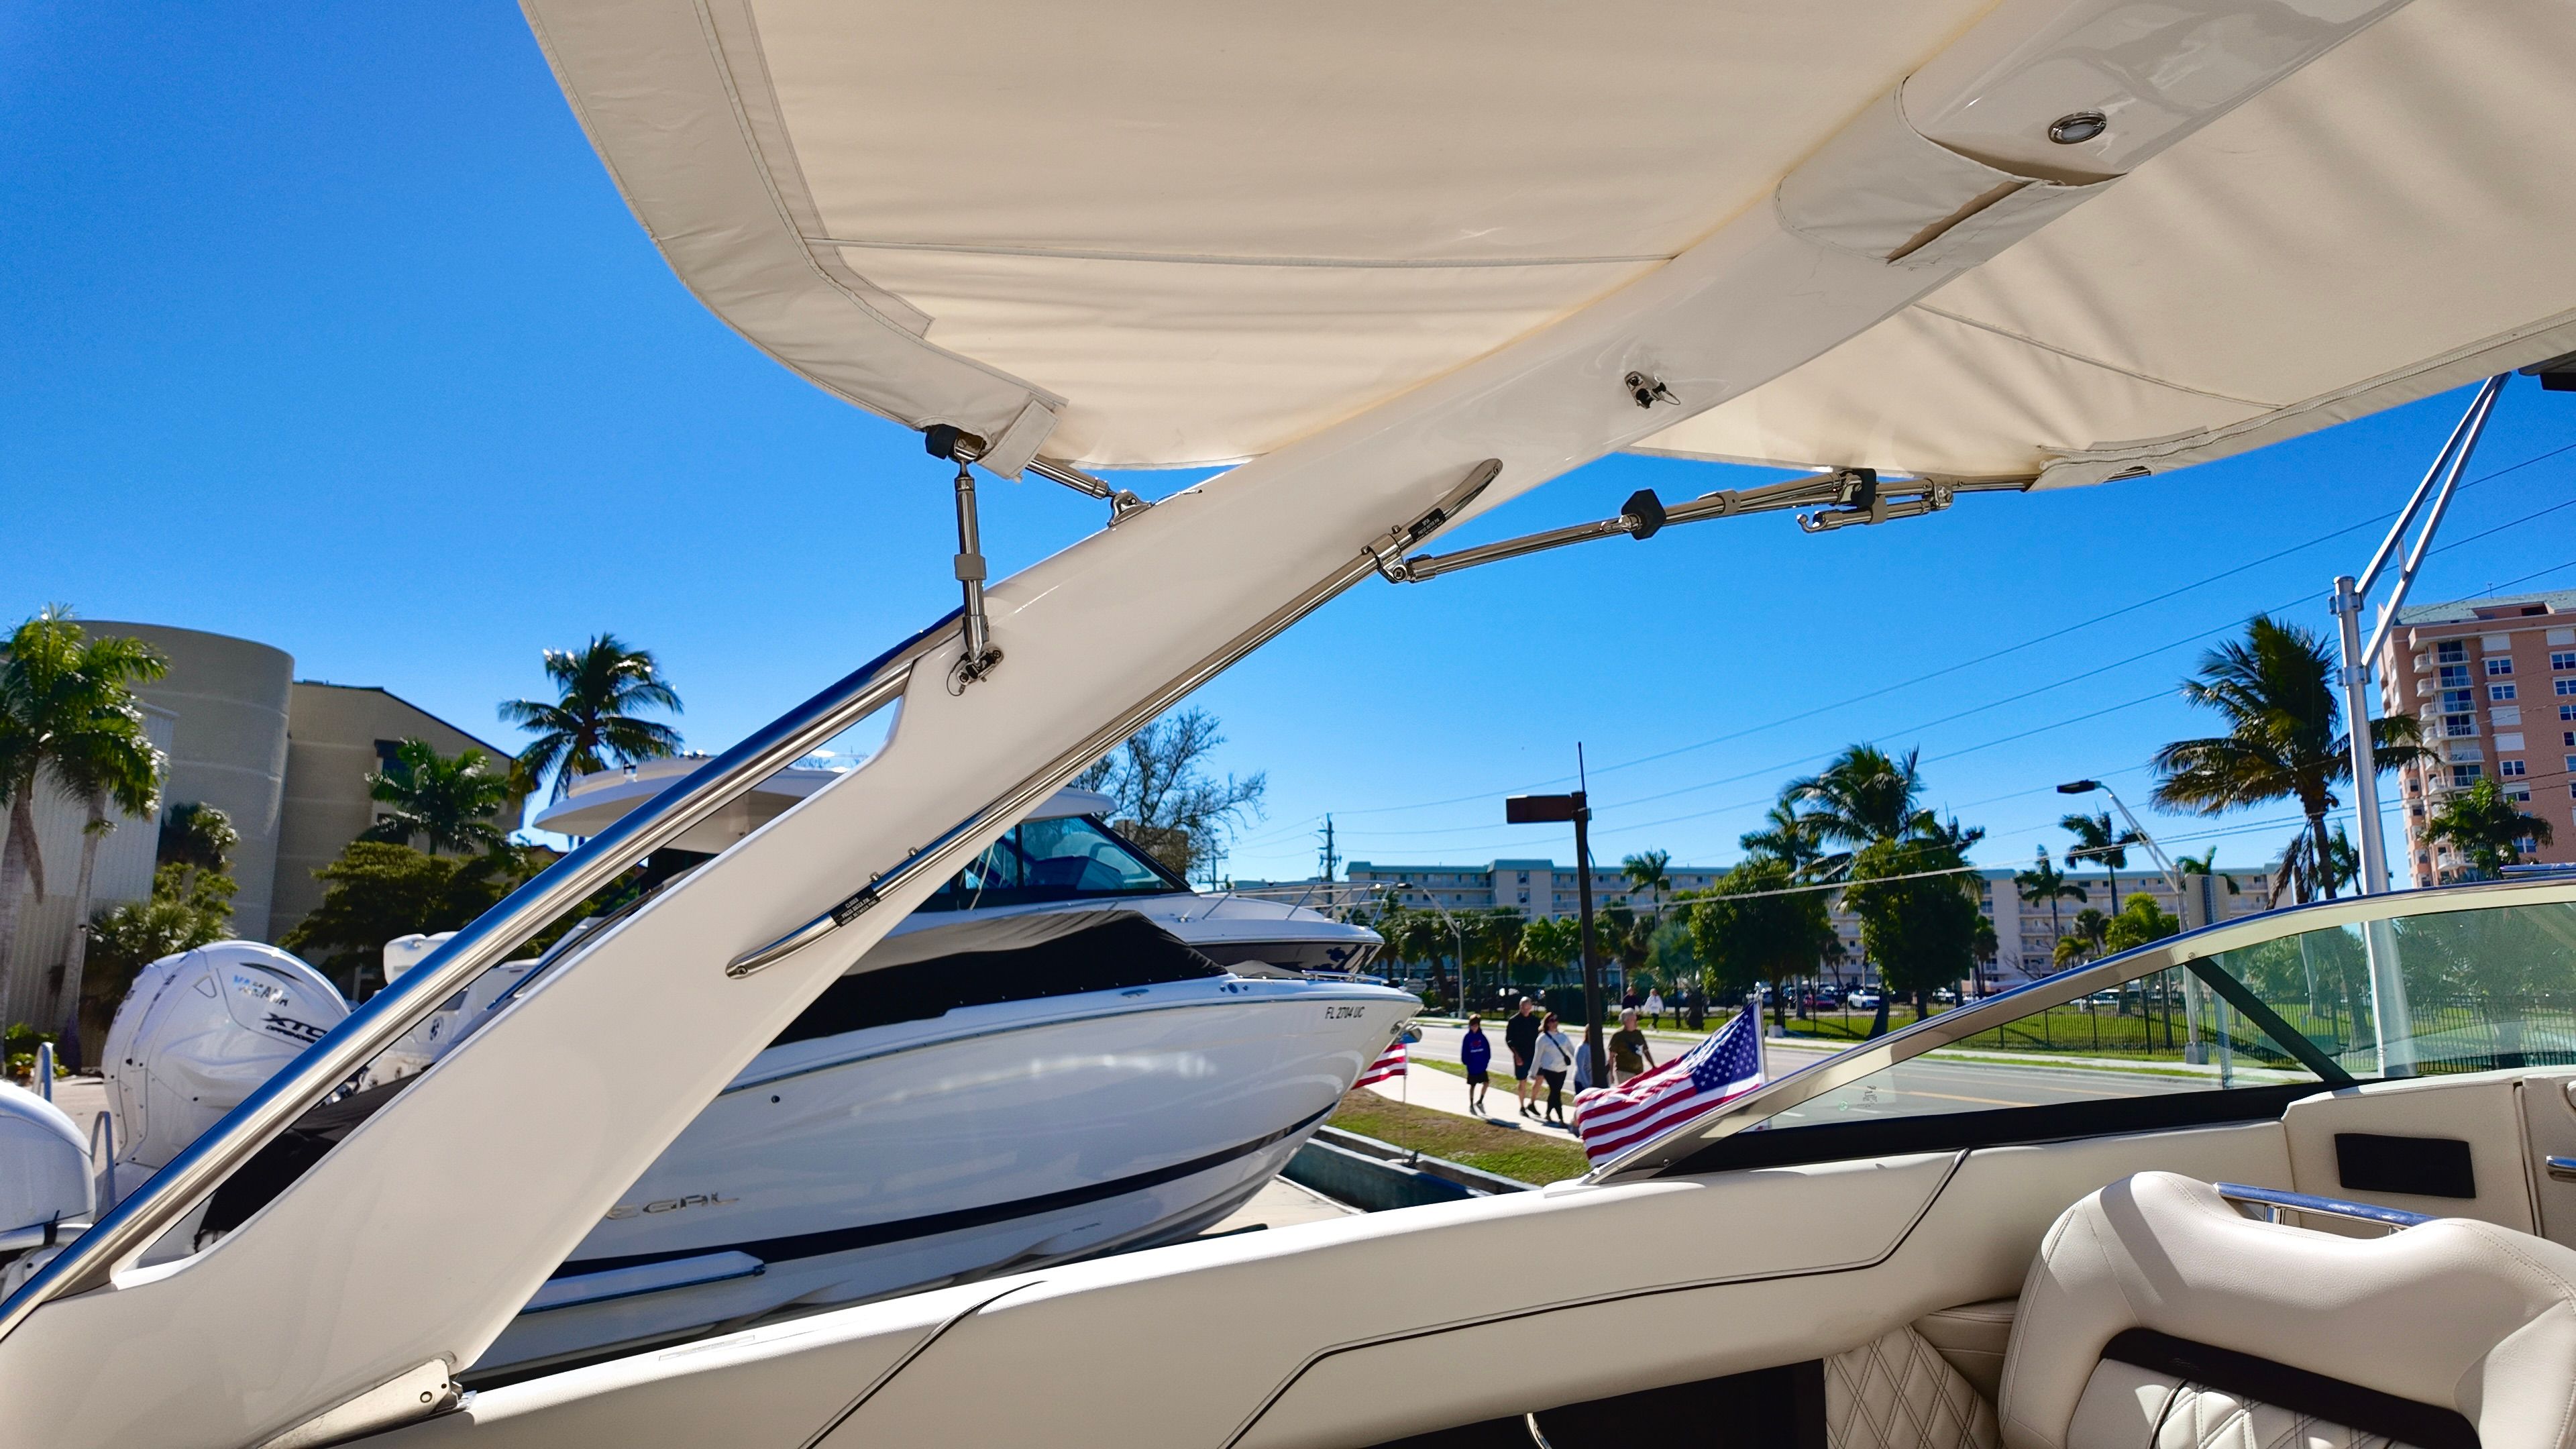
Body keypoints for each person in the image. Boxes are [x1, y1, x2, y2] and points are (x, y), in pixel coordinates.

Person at [1532, 1012, 1578, 1126]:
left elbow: (1573, 1051)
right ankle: (1561, 1119)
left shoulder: (1563, 1036)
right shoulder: (1542, 1039)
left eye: (1556, 1020)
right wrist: (1533, 1072)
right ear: (1547, 1023)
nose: (1555, 1023)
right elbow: (1537, 1057)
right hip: (1549, 1069)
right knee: (1556, 1092)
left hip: (1562, 1069)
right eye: (1552, 1021)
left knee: (1555, 1092)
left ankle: (1548, 1113)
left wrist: (1582, 1063)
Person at [1504, 997, 1542, 1114]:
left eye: (1528, 1008)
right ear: (1520, 1007)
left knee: (1540, 1078)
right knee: (1523, 1081)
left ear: (1531, 1007)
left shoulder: (1535, 1021)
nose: (1526, 1010)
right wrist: (1516, 1055)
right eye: (1524, 1008)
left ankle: (1532, 1103)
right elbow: (1509, 1040)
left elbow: (1541, 1038)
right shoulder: (1513, 1021)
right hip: (1520, 1055)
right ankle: (1522, 1107)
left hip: (1534, 1055)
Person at [1608, 1008, 1655, 1085]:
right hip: (1624, 1073)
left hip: (1639, 1072)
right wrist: (1611, 1074)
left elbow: (1646, 1051)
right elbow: (1611, 1057)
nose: (1636, 1022)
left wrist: (1653, 1066)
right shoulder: (1618, 1036)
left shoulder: (1638, 1033)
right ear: (1626, 1021)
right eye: (1634, 1020)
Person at [1460, 1014, 1493, 1114]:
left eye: (1476, 1025)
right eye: (1472, 1026)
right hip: (1472, 1066)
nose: (1474, 1027)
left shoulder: (1482, 1037)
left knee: (1486, 1083)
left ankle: (1480, 1101)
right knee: (1473, 1085)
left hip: (1481, 1065)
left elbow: (1487, 1050)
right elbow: (1464, 1051)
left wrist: (1486, 1061)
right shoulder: (1467, 1038)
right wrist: (1466, 1062)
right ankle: (1471, 1103)